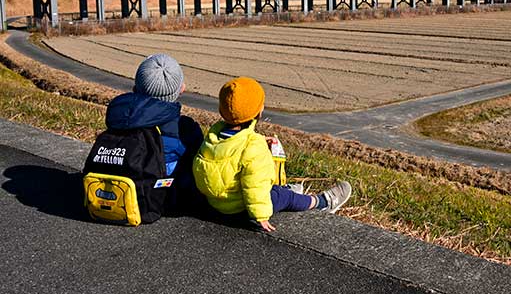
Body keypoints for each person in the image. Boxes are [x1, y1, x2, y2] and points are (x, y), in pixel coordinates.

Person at [193, 76, 351, 232]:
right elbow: (254, 184)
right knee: (284, 197)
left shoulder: (213, 136)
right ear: (259, 111)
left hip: (216, 203)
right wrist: (260, 214)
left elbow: (232, 150)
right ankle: (322, 203)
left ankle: (289, 192)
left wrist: (260, 139)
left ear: (222, 110)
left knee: (273, 188)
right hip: (240, 210)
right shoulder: (253, 146)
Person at [104, 53, 204, 211]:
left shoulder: (119, 115)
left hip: (116, 191)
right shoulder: (184, 128)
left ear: (135, 87)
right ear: (180, 90)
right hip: (162, 199)